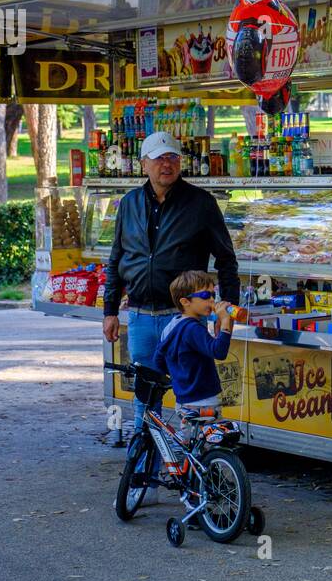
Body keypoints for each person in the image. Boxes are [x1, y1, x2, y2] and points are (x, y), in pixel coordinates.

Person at [103, 131, 240, 492]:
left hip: (184, 321)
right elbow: (116, 259)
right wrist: (110, 309)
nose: (167, 165)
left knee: (191, 401)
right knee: (144, 400)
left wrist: (230, 305)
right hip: (142, 317)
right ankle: (140, 475)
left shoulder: (201, 203)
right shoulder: (130, 203)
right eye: (160, 158)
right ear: (144, 164)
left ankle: (194, 477)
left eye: (173, 158)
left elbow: (226, 258)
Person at [153, 270, 233, 447]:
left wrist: (179, 375)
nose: (212, 300)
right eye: (205, 295)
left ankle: (189, 472)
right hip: (205, 400)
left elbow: (159, 359)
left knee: (192, 445)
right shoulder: (193, 329)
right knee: (212, 447)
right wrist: (226, 323)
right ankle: (208, 472)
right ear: (185, 302)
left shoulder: (173, 325)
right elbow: (218, 351)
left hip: (184, 399)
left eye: (213, 294)